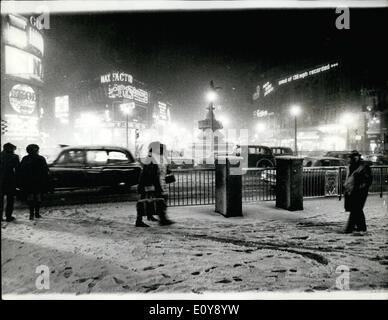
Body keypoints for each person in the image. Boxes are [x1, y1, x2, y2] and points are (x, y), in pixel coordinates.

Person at [136, 141, 174, 227]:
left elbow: (164, 170)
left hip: (158, 184)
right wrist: (151, 186)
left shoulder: (159, 158)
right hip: (150, 185)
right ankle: (139, 220)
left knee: (159, 200)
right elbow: (148, 174)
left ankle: (159, 218)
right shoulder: (151, 159)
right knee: (145, 201)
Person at [17, 144, 50, 220]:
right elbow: (45, 170)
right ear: (36, 150)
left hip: (28, 182)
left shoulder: (25, 158)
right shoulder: (41, 158)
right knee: (38, 197)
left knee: (30, 197)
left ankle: (31, 214)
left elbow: (20, 170)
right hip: (38, 181)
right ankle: (37, 213)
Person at [343, 150, 373, 233]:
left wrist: (361, 186)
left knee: (356, 209)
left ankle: (351, 228)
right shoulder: (352, 166)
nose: (349, 159)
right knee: (356, 209)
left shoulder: (362, 167)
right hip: (353, 190)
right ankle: (361, 227)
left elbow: (368, 179)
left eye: (351, 157)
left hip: (360, 191)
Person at [0, 143, 20, 222]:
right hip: (10, 180)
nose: (14, 151)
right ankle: (8, 216)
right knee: (10, 199)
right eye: (13, 149)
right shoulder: (14, 157)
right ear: (10, 149)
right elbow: (18, 169)